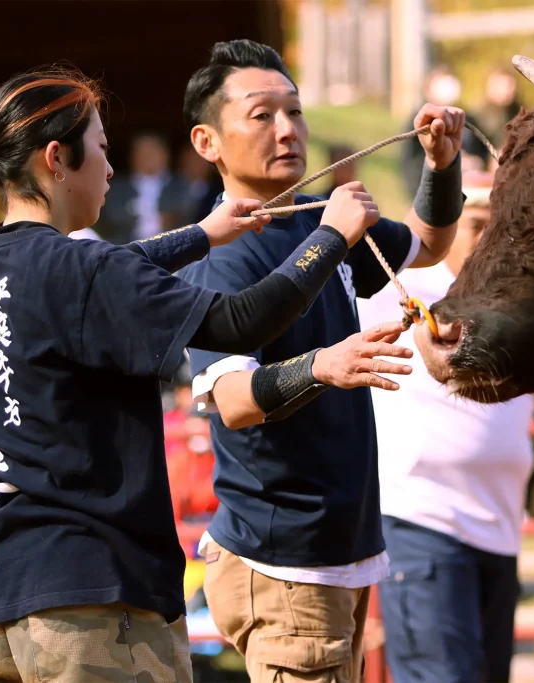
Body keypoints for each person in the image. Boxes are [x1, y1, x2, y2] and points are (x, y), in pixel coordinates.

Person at [0, 65, 387, 683]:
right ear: (56, 159)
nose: (110, 167)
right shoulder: (80, 270)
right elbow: (242, 322)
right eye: (100, 148)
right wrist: (332, 236)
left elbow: (106, 272)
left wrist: (201, 236)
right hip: (87, 599)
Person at [177, 39, 466, 683]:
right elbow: (232, 402)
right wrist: (322, 366)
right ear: (207, 143)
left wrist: (440, 165)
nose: (287, 130)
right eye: (261, 115)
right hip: (284, 564)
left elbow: (427, 243)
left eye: (295, 112)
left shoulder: (315, 218)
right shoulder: (223, 257)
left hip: (333, 556)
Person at [356, 169, 534, 683]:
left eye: (498, 228)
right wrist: (436, 164)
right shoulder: (397, 290)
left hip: (499, 528)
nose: (487, 240)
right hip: (421, 519)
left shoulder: (516, 309)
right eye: (474, 224)